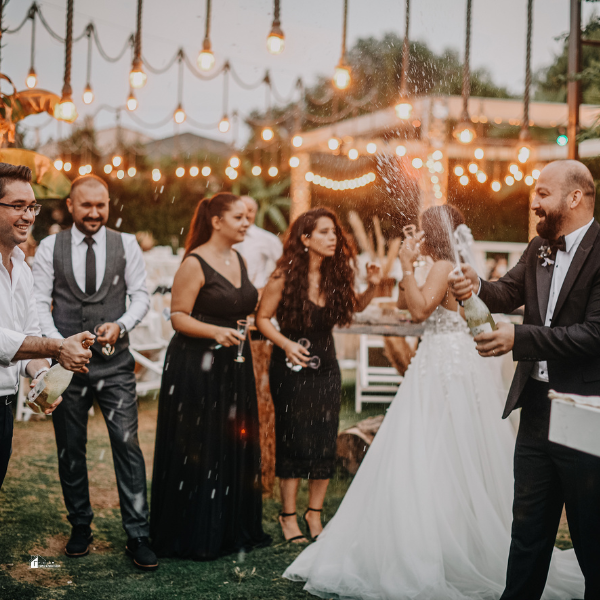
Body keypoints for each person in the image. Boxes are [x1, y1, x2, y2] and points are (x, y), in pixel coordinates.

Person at [284, 205, 583, 599]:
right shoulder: (437, 265)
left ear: (435, 233)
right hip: (435, 360)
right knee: (429, 446)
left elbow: (422, 308)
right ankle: (435, 534)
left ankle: (441, 541)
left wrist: (408, 266)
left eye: (421, 231)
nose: (417, 237)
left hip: (446, 362)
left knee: (437, 448)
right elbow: (409, 308)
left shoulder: (443, 265)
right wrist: (405, 269)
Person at [450, 159, 600, 600]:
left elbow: (594, 333)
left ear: (575, 197)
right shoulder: (540, 246)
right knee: (528, 532)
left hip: (585, 410)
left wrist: (519, 338)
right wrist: (476, 285)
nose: (534, 202)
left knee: (591, 535)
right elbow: (507, 292)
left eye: (542, 193)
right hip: (535, 408)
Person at [32, 174, 155, 571]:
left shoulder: (128, 244)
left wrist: (121, 324)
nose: (95, 213)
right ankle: (80, 526)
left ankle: (138, 533)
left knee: (126, 444)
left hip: (116, 365)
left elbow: (141, 296)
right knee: (70, 449)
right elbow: (38, 303)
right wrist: (60, 346)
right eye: (86, 205)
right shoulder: (50, 246)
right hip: (67, 370)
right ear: (71, 205)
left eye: (101, 205)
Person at [150, 192, 271, 560]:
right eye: (239, 217)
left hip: (234, 363)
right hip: (196, 366)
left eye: (247, 216)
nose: (247, 222)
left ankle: (229, 528)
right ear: (216, 221)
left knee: (232, 440)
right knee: (200, 445)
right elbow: (178, 316)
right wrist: (215, 332)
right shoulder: (194, 262)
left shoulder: (238, 258)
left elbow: (243, 304)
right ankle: (194, 530)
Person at [256, 207, 381, 544]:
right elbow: (262, 319)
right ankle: (288, 517)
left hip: (327, 367)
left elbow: (351, 311)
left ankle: (314, 514)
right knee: (293, 439)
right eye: (324, 232)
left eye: (334, 232)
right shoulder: (284, 276)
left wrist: (371, 286)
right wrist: (284, 345)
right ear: (305, 239)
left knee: (324, 439)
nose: (333, 238)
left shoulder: (336, 275)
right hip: (291, 369)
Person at [0, 163, 92, 489]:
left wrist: (41, 377)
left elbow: (30, 336)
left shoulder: (23, 269)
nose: (28, 216)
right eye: (17, 206)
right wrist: (57, 347)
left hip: (5, 403)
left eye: (32, 207)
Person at [233, 195, 283, 292]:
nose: (246, 214)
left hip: (255, 294)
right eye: (242, 210)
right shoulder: (226, 236)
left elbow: (283, 266)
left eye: (250, 210)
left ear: (256, 213)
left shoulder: (267, 238)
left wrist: (267, 289)